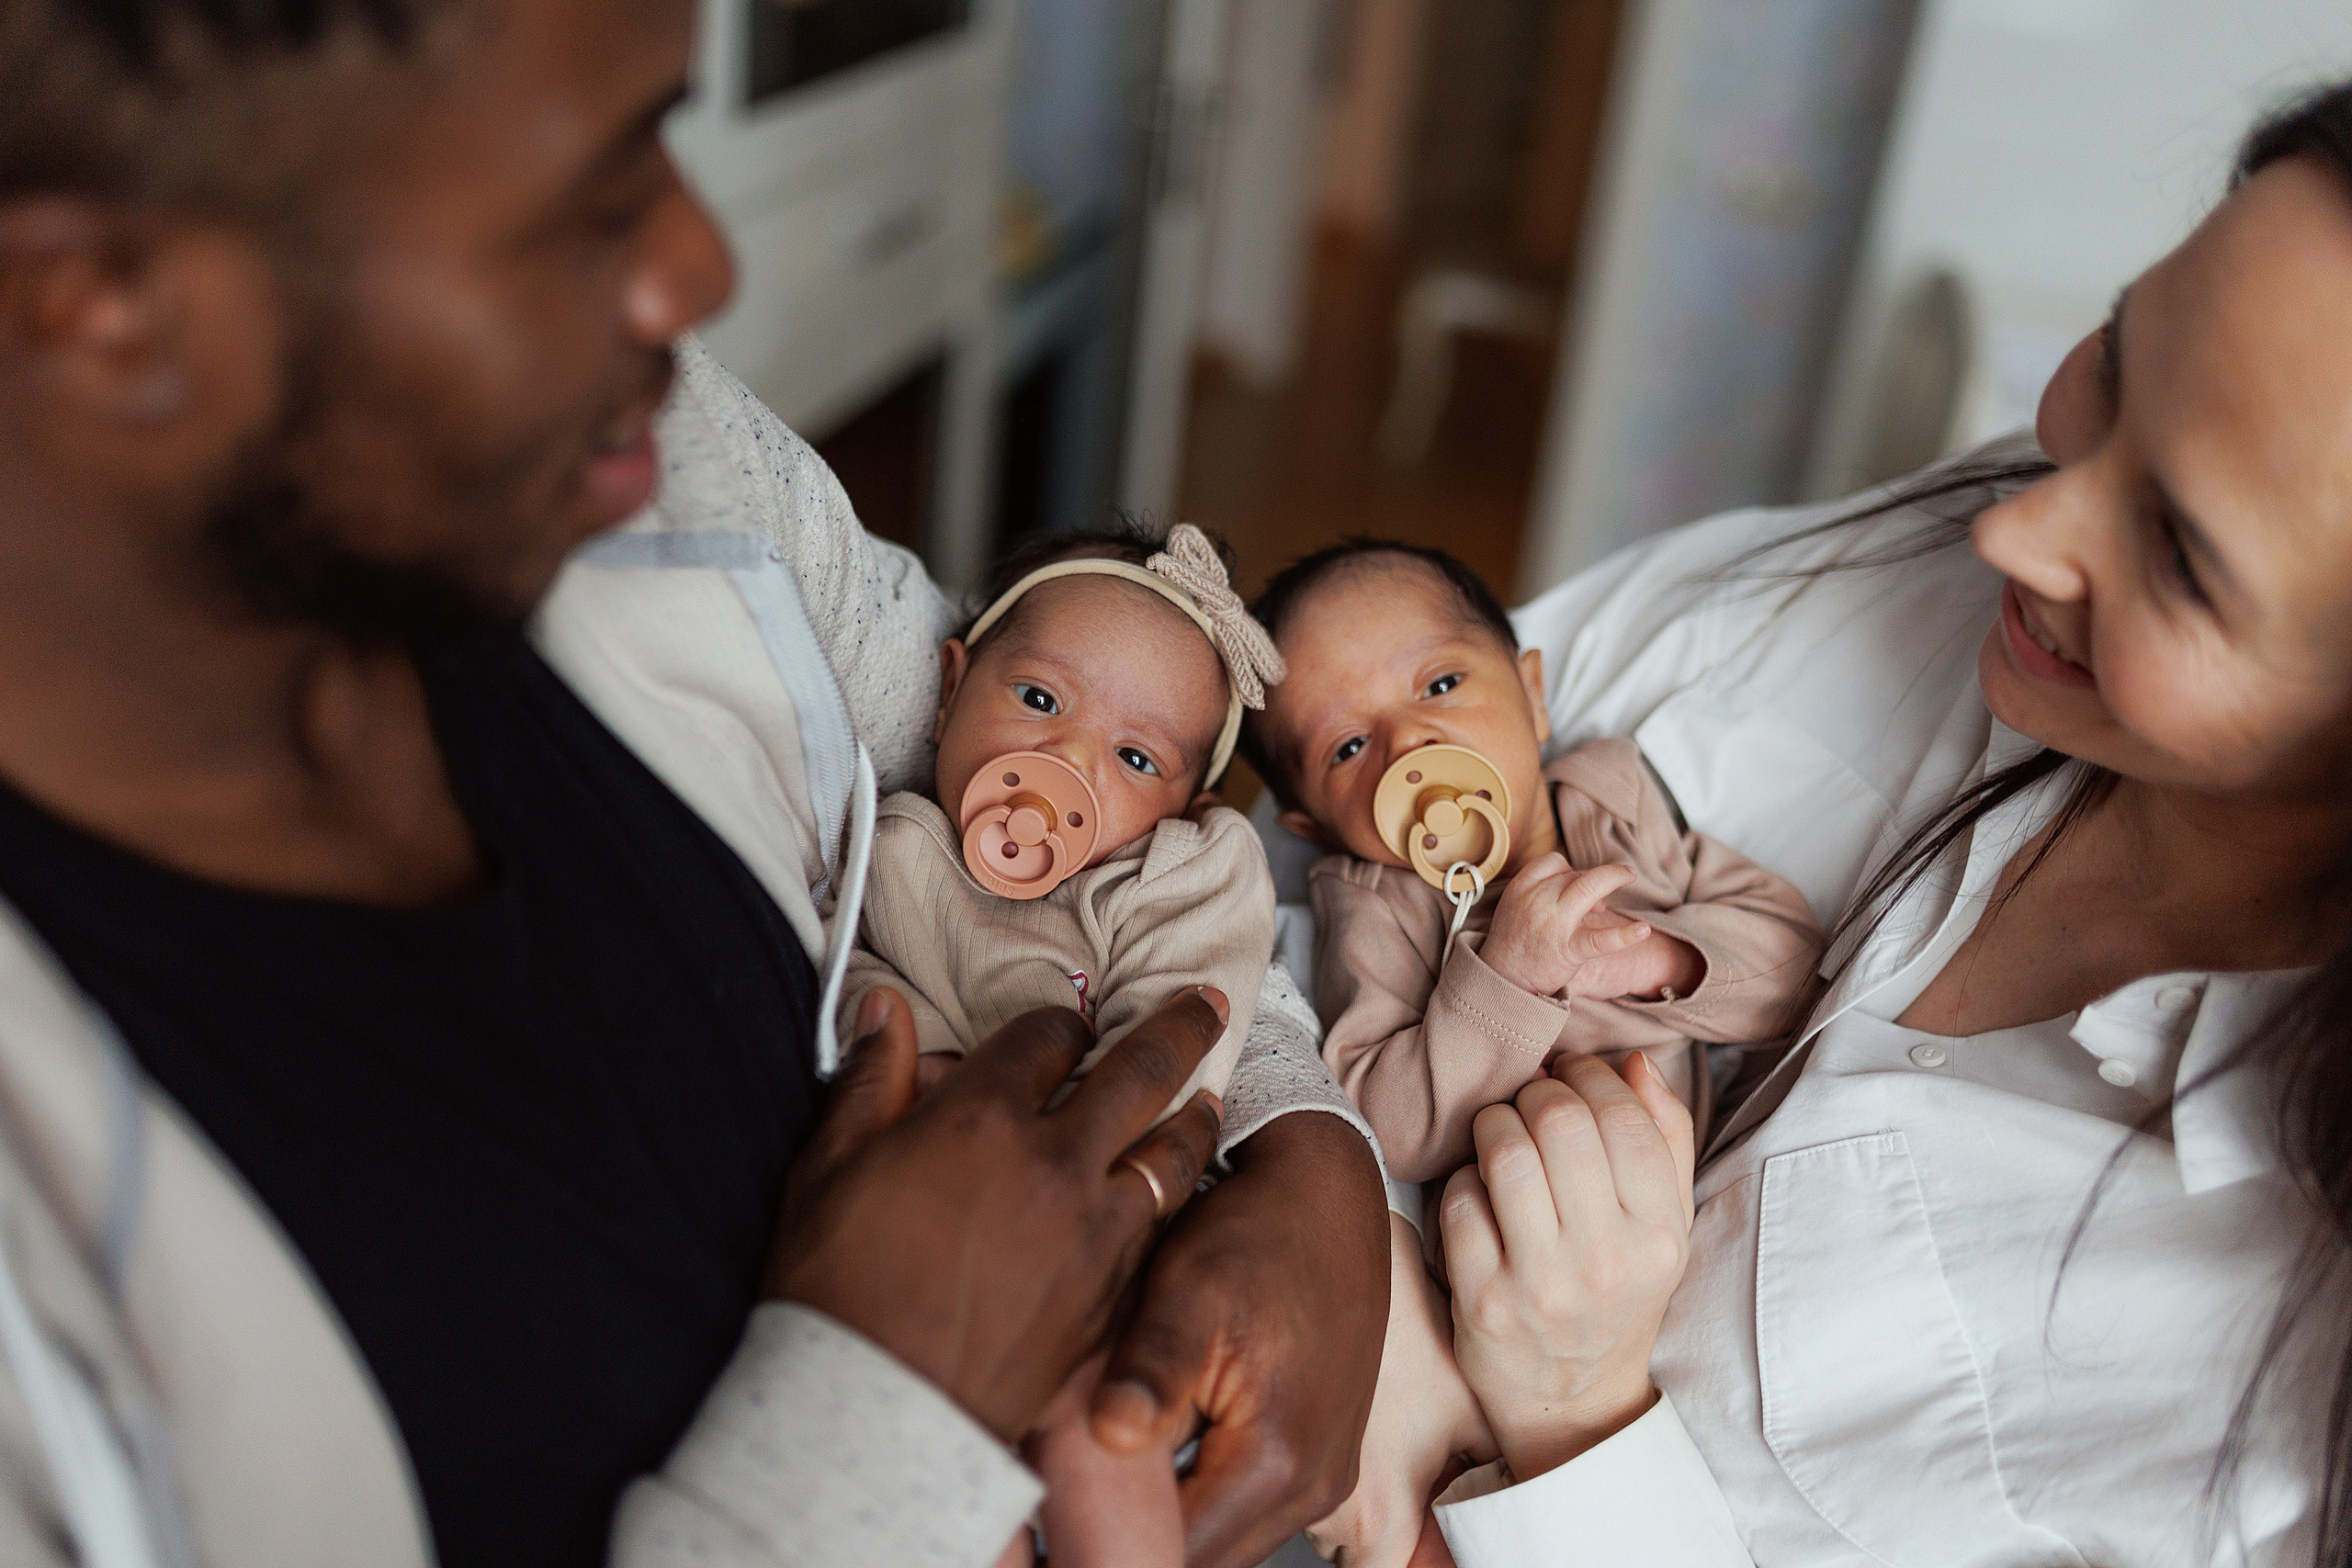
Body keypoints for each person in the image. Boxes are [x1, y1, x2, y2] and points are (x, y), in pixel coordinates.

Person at [0, 3, 1393, 1567]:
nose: (696, 270)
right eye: (584, 197)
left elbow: (1078, 792)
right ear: (107, 305)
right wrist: (880, 1416)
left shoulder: (653, 458)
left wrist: (1311, 1153)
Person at [1411, 81, 2352, 1566]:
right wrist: (1335, 1212)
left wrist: (1574, 1420)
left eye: (2179, 555)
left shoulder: (2273, 1371)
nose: (2013, 524)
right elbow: (1382, 756)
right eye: (2118, 358)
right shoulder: (1962, 569)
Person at [1234, 541, 1820, 1565]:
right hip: (1501, 1294)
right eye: (1347, 749)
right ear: (1307, 823)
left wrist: (1655, 954)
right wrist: (1505, 977)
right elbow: (1395, 1124)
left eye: (1444, 684)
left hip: (1693, 1249)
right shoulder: (1377, 906)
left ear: (1534, 695)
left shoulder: (1614, 804)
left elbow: (1790, 963)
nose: (1412, 742)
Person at [841, 518, 1284, 1568]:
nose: (1067, 763)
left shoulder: (1175, 874)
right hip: (928, 1231)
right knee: (936, 1457)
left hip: (1119, 1224)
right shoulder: (891, 845)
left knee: (1101, 1439)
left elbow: (1189, 1017)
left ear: (1189, 805)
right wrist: (919, 1067)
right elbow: (853, 988)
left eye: (1135, 758)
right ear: (950, 688)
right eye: (1039, 700)